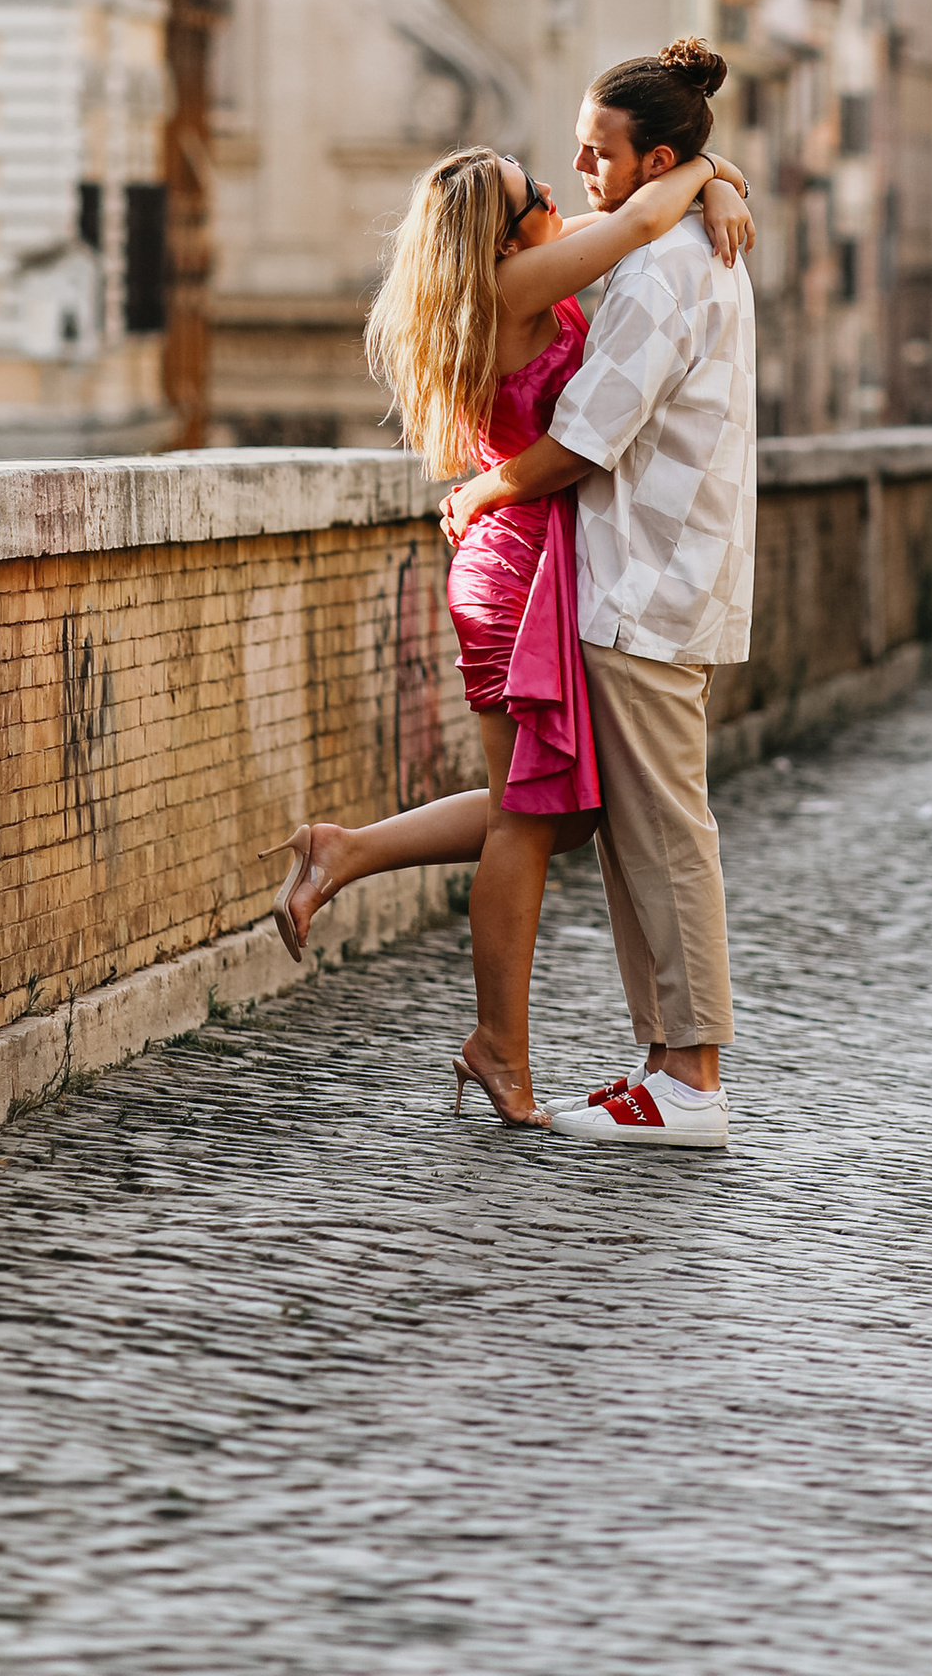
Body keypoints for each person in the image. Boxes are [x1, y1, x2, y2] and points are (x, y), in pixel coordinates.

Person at [263, 114, 754, 1131]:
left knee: (552, 813)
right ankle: (498, 1048)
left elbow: (639, 207)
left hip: (545, 562)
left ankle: (343, 852)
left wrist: (710, 181)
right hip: (517, 566)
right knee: (526, 822)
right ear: (501, 236)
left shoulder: (512, 268)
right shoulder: (513, 287)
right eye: (537, 196)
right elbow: (636, 217)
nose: (556, 200)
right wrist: (704, 172)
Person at [437, 36, 758, 1150]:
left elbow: (586, 437)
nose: (575, 171)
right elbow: (619, 226)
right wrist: (711, 179)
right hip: (637, 572)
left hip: (644, 573)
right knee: (627, 831)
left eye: (593, 153)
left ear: (651, 156)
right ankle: (667, 1066)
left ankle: (692, 1078)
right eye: (562, 158)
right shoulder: (658, 242)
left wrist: (485, 492)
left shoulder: (660, 266)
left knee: (663, 832)